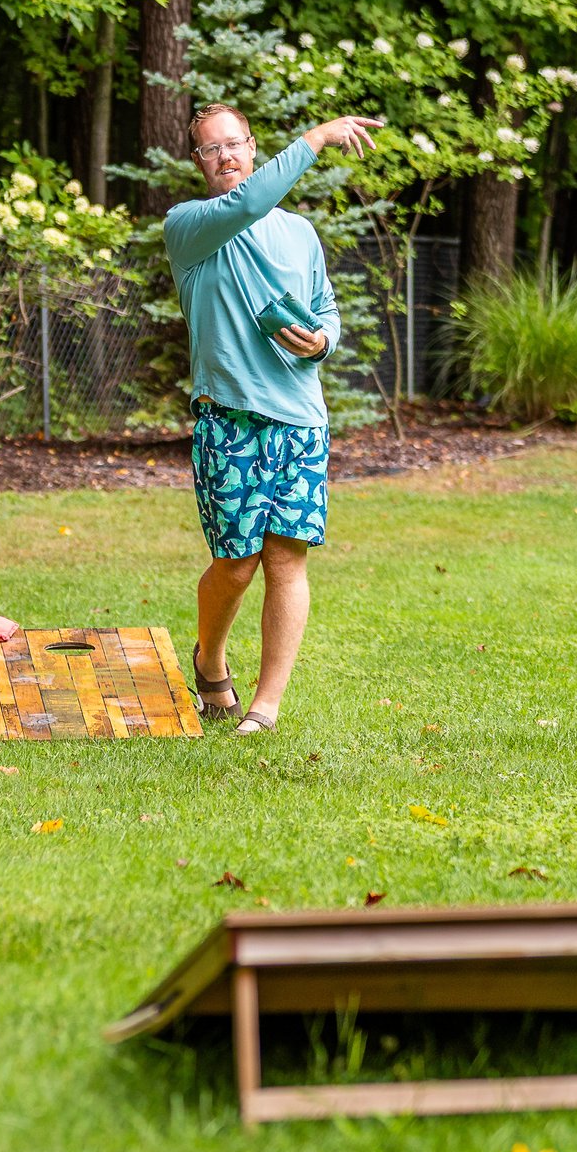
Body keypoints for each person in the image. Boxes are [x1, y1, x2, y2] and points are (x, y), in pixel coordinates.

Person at [166, 102, 380, 734]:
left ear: (253, 147)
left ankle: (265, 706)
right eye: (212, 149)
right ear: (199, 161)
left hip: (300, 420)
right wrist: (315, 138)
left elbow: (325, 305)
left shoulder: (300, 233)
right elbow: (246, 207)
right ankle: (210, 660)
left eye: (235, 144)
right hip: (228, 417)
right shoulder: (192, 225)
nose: (226, 156)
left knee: (286, 559)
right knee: (236, 563)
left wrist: (324, 341)